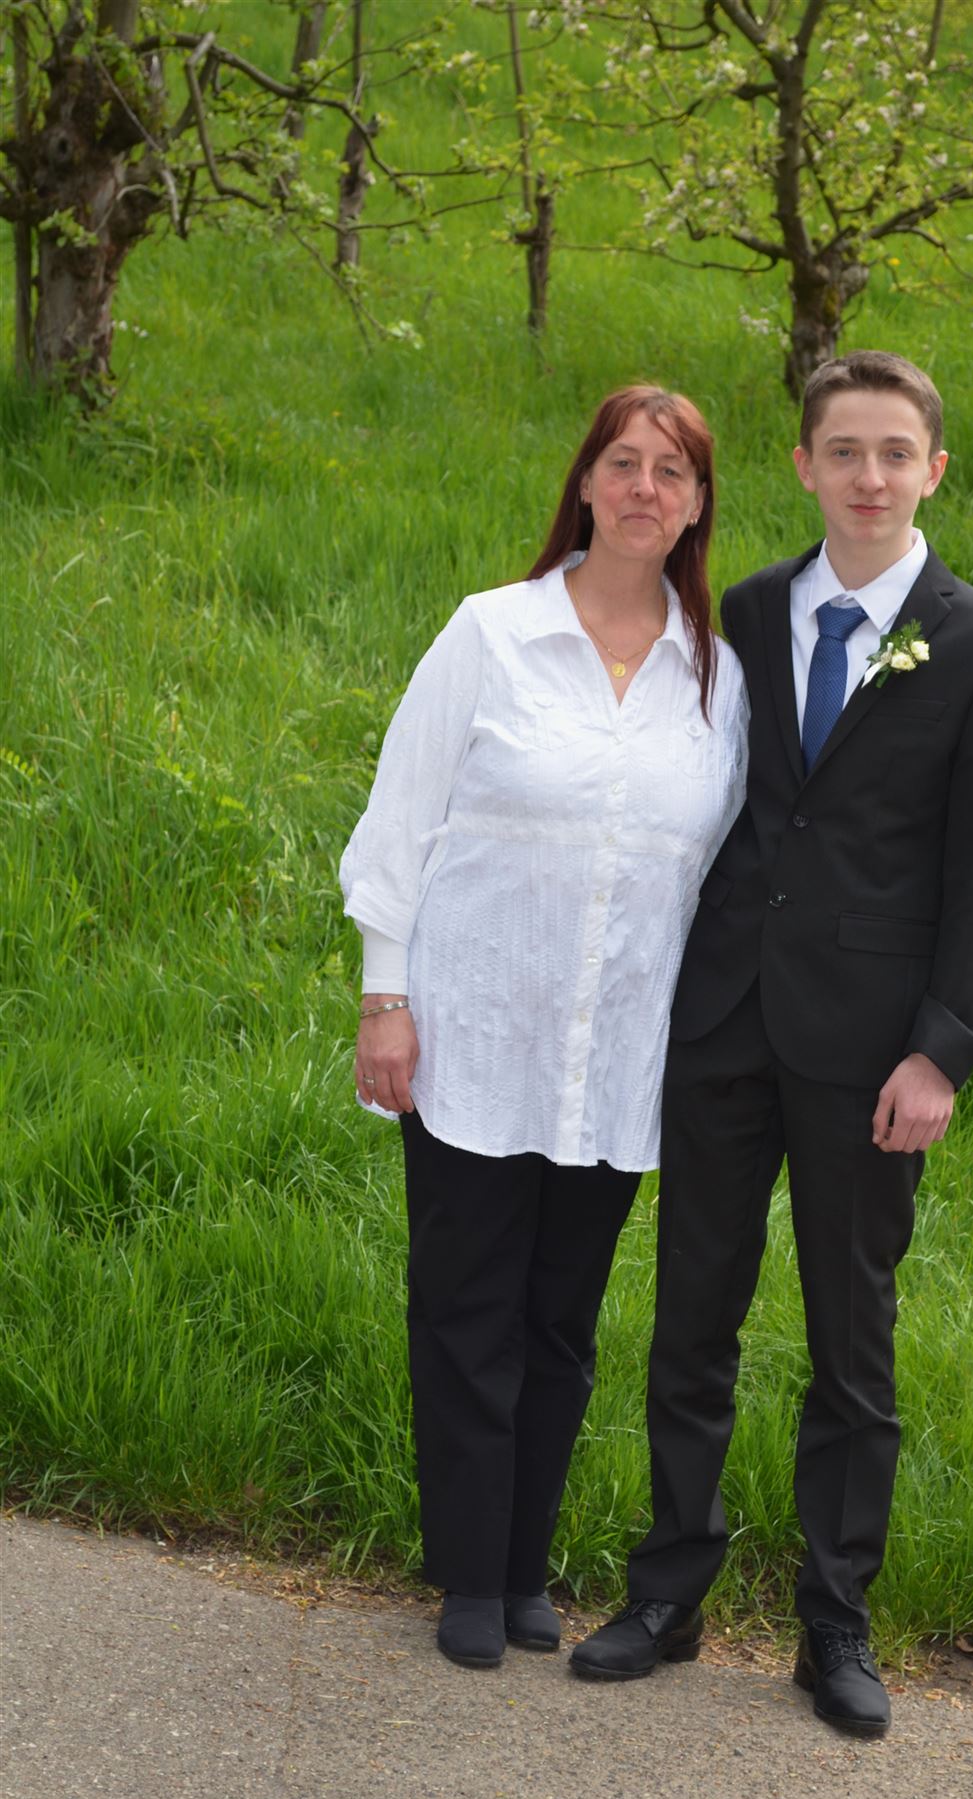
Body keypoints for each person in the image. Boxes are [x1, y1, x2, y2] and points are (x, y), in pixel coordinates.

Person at [571, 351, 973, 1737]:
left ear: (931, 471)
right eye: (843, 451)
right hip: (724, 1023)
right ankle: (668, 1590)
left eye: (893, 453)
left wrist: (941, 1050)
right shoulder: (749, 608)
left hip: (869, 1054)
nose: (867, 477)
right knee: (690, 1320)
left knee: (850, 1347)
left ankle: (833, 1621)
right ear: (802, 467)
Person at [339, 387, 747, 1671]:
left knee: (562, 1323)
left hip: (615, 1058)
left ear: (696, 504)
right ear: (583, 483)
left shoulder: (716, 675)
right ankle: (468, 1575)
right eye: (621, 463)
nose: (642, 489)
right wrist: (385, 998)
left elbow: (718, 872)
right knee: (465, 1308)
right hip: (471, 1033)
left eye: (669, 472)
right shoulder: (493, 633)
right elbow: (398, 821)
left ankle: (524, 1569)